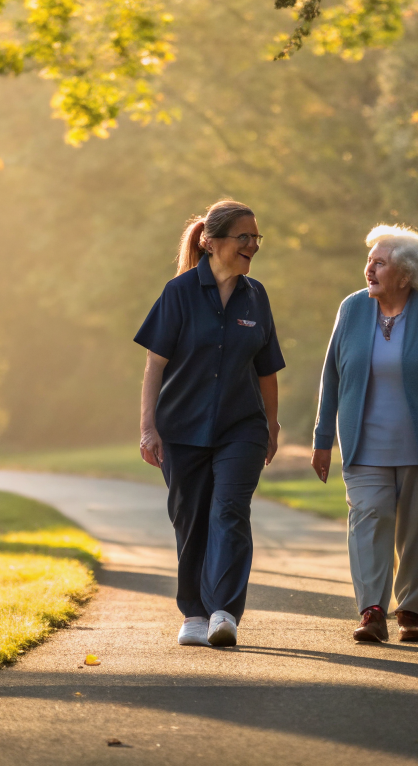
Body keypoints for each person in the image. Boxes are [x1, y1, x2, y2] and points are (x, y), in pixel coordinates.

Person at [310, 225, 418, 643]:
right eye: (369, 260)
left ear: (405, 275)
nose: (368, 268)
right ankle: (372, 610)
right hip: (364, 444)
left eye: (379, 262)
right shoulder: (352, 309)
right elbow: (331, 376)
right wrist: (322, 440)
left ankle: (409, 611)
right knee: (369, 518)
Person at [136, 199, 285, 648]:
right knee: (190, 519)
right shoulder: (178, 293)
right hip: (182, 428)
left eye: (256, 238)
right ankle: (195, 614)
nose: (252, 246)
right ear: (210, 241)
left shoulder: (256, 296)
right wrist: (148, 427)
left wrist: (272, 426)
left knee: (230, 512)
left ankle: (224, 611)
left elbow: (267, 370)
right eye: (243, 237)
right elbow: (154, 366)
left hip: (242, 427)